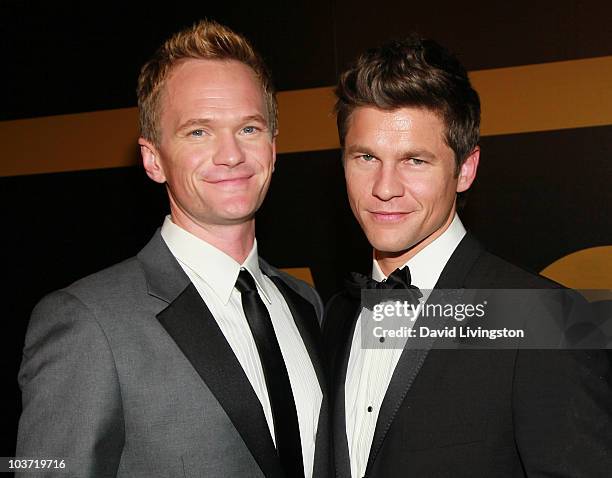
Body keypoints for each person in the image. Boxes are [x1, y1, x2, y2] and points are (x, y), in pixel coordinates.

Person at [17, 20, 329, 478]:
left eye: (249, 128)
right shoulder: (87, 321)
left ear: (273, 146)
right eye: (198, 132)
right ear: (153, 159)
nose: (231, 154)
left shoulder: (306, 303)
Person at [324, 36, 612, 477]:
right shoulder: (337, 315)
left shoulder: (544, 320)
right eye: (365, 157)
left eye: (415, 161)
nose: (384, 187)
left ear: (465, 169)